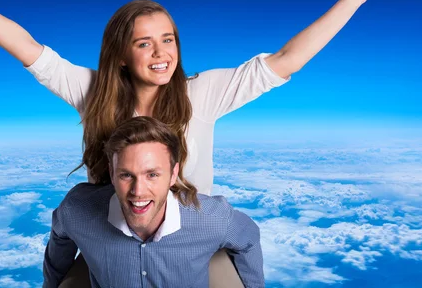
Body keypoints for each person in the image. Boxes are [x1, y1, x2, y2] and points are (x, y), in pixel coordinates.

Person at [0, 0, 382, 286]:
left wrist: (354, 0)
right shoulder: (93, 93)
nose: (162, 53)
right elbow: (26, 46)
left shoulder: (204, 93)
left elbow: (286, 61)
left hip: (189, 241)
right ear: (121, 53)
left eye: (168, 40)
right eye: (144, 43)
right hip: (113, 236)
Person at [44, 116, 265, 288]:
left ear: (172, 174)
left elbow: (249, 238)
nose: (138, 191)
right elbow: (60, 234)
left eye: (152, 175)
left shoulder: (212, 218)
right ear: (112, 174)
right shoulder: (77, 210)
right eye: (126, 175)